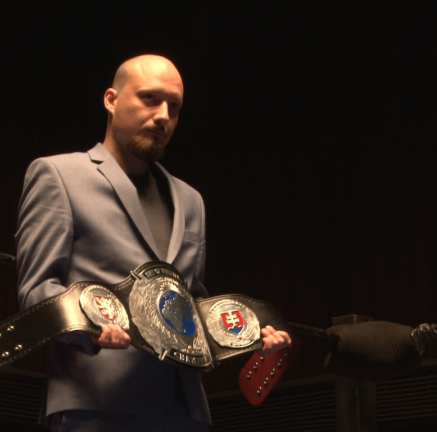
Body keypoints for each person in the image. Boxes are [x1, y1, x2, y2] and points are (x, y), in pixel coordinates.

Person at [15, 54, 291, 432]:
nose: (163, 116)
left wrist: (249, 337)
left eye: (174, 107)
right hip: (99, 402)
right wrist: (90, 326)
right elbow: (36, 291)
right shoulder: (58, 175)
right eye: (149, 98)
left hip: (184, 408)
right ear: (111, 100)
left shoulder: (190, 200)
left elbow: (191, 307)